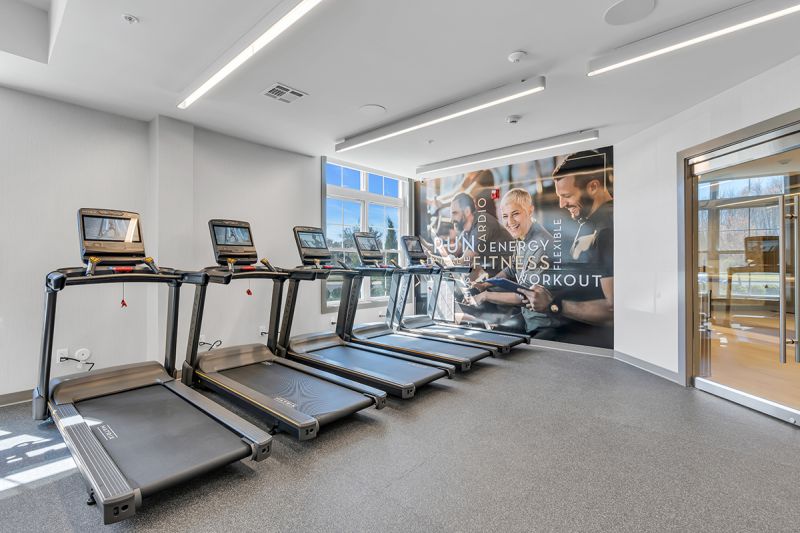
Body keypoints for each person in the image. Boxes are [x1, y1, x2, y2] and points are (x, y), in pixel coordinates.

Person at [518, 149, 614, 347]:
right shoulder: (588, 223)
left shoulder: (607, 231)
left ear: (593, 187)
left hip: (589, 346)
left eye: (567, 195)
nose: (562, 204)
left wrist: (554, 304)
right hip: (569, 336)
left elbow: (613, 310)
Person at [468, 188, 562, 337]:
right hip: (527, 317)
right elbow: (512, 268)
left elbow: (527, 296)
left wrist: (485, 295)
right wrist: (487, 284)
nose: (509, 222)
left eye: (515, 214)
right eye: (505, 216)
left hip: (543, 325)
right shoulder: (523, 236)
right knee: (491, 333)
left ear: (530, 211)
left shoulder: (540, 244)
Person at [442, 192, 512, 278]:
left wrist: (434, 260)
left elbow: (465, 261)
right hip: (494, 278)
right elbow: (456, 248)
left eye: (455, 213)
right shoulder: (467, 229)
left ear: (467, 211)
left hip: (508, 278)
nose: (451, 219)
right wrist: (430, 248)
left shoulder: (482, 225)